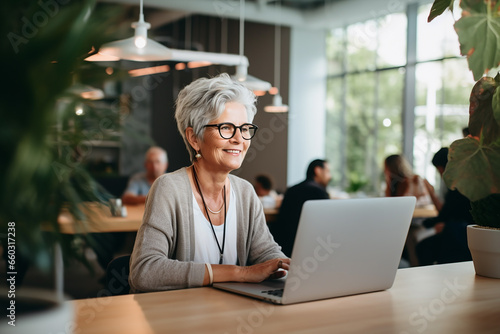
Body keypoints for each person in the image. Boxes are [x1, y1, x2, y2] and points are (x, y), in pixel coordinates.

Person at [129, 74, 289, 293]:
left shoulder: (245, 192)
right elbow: (144, 271)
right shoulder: (169, 188)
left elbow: (266, 253)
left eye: (244, 129)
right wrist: (240, 273)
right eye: (226, 128)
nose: (239, 139)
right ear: (194, 138)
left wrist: (288, 267)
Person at [416, 147, 474, 265]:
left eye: (439, 170)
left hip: (461, 234)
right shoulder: (462, 185)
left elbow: (445, 214)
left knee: (424, 247)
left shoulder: (459, 188)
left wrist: (443, 225)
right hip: (460, 231)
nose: (441, 174)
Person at [270, 159, 331, 257]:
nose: (330, 176)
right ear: (318, 170)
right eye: (328, 171)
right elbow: (326, 226)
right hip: (309, 250)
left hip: (283, 247)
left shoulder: (291, 189)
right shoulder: (319, 192)